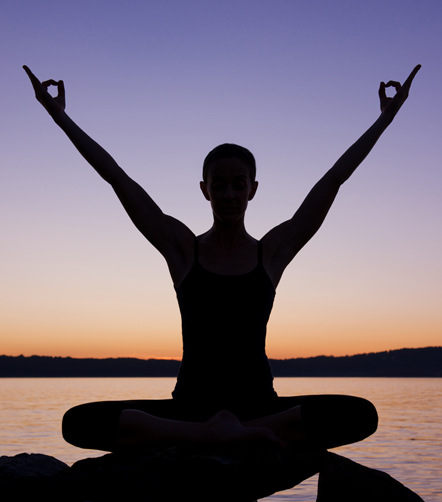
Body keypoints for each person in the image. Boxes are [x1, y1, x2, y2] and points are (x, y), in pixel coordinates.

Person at [24, 64, 420, 453]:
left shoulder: (272, 252)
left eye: (238, 184)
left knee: (360, 413)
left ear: (253, 190)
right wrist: (61, 117)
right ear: (204, 190)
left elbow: (334, 178)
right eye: (219, 185)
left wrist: (384, 120)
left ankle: (226, 431)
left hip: (259, 405)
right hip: (192, 407)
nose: (229, 194)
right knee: (76, 422)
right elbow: (117, 178)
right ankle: (214, 434)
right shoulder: (182, 248)